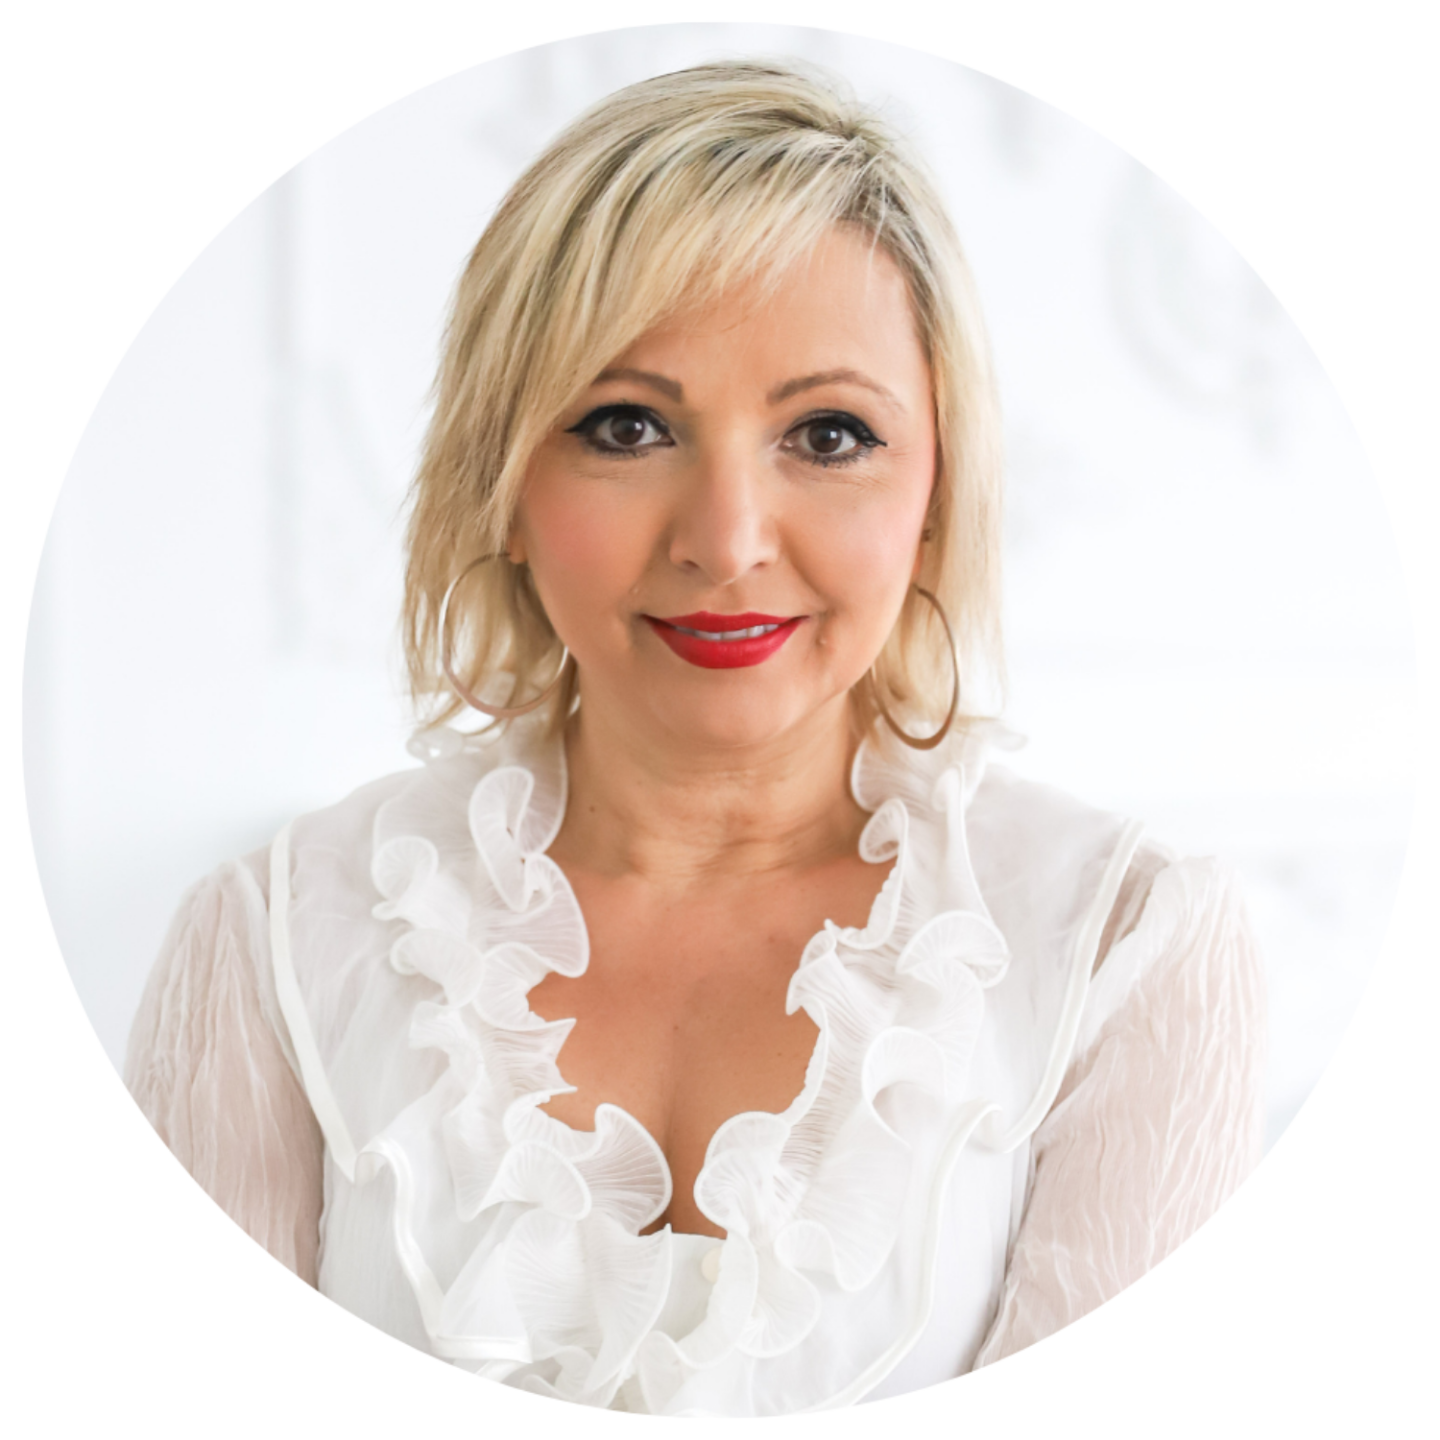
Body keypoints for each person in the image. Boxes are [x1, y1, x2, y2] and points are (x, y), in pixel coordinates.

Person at [124, 59, 1266, 1415]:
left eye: (828, 435)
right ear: (503, 480)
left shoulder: (1130, 950)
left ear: (938, 495)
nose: (726, 542)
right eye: (627, 427)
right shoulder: (266, 948)